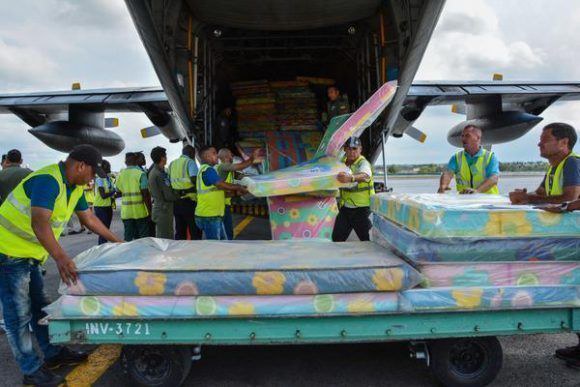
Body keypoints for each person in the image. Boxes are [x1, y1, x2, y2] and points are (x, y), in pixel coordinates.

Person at [0, 145, 123, 386]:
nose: (92, 180)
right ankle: (31, 370)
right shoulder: (48, 180)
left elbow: (88, 218)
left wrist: (119, 243)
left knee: (41, 308)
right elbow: (39, 224)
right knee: (18, 316)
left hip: (30, 255)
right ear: (80, 166)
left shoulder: (74, 187)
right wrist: (61, 258)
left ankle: (54, 355)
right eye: (92, 173)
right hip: (8, 253)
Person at [509, 122, 579, 205]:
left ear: (564, 142)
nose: (539, 144)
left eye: (545, 140)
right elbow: (540, 193)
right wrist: (523, 196)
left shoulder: (573, 162)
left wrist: (529, 198)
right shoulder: (554, 166)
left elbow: (570, 199)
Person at [195, 146, 248, 240]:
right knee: (216, 246)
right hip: (210, 215)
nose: (217, 156)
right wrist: (239, 187)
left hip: (211, 214)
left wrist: (237, 193)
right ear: (207, 157)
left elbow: (219, 191)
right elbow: (221, 184)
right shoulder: (208, 170)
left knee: (223, 242)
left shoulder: (207, 170)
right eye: (214, 153)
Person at [332, 137, 375, 242]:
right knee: (337, 238)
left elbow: (365, 175)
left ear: (360, 149)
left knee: (367, 240)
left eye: (355, 149)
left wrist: (351, 178)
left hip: (362, 210)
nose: (352, 152)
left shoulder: (363, 163)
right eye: (349, 149)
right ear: (345, 150)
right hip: (346, 208)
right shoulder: (342, 163)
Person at [438, 125, 500, 194]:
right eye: (462, 136)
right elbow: (448, 174)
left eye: (467, 136)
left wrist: (477, 191)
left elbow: (493, 178)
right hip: (465, 201)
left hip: (487, 201)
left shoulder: (490, 157)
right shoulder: (456, 158)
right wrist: (443, 185)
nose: (463, 139)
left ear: (478, 138)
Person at [216, 147, 262, 240]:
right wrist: (252, 158)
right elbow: (240, 167)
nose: (232, 156)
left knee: (226, 230)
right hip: (220, 205)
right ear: (226, 157)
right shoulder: (222, 167)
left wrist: (243, 190)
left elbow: (242, 177)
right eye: (230, 155)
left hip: (224, 203)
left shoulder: (228, 171)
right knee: (225, 232)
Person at [169, 145, 202, 240]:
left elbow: (170, 181)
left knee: (180, 231)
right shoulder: (190, 162)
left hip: (177, 202)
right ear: (192, 153)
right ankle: (196, 252)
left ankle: (180, 252)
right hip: (190, 201)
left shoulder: (172, 164)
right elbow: (195, 180)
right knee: (194, 230)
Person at [116, 152, 151, 241]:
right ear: (135, 160)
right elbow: (145, 195)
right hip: (140, 212)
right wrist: (150, 211)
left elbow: (118, 191)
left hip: (126, 212)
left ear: (125, 162)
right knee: (143, 237)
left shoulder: (120, 175)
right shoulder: (140, 174)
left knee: (128, 238)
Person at [148, 146, 179, 239]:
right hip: (163, 210)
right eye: (165, 156)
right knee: (166, 238)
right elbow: (168, 195)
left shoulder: (154, 172)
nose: (166, 158)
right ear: (162, 158)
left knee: (163, 236)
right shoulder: (160, 174)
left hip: (160, 209)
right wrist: (180, 196)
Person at [93, 160, 116, 245]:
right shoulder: (99, 179)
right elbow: (103, 195)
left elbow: (111, 192)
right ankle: (101, 247)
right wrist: (114, 192)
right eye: (107, 166)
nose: (109, 168)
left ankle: (103, 245)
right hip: (100, 207)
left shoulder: (108, 179)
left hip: (107, 206)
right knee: (104, 230)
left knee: (106, 229)